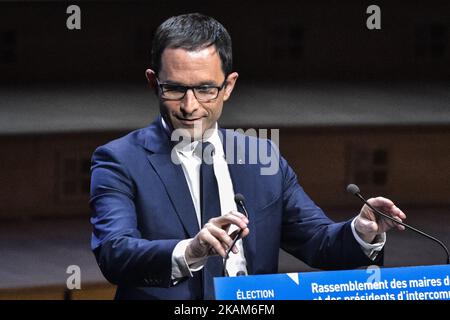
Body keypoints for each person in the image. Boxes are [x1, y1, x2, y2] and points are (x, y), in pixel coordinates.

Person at [89, 13, 406, 300]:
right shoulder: (119, 160)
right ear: (152, 84)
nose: (189, 106)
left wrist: (362, 231)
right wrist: (190, 250)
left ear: (228, 86)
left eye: (205, 89)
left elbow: (319, 242)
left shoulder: (261, 156)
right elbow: (114, 253)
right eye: (174, 89)